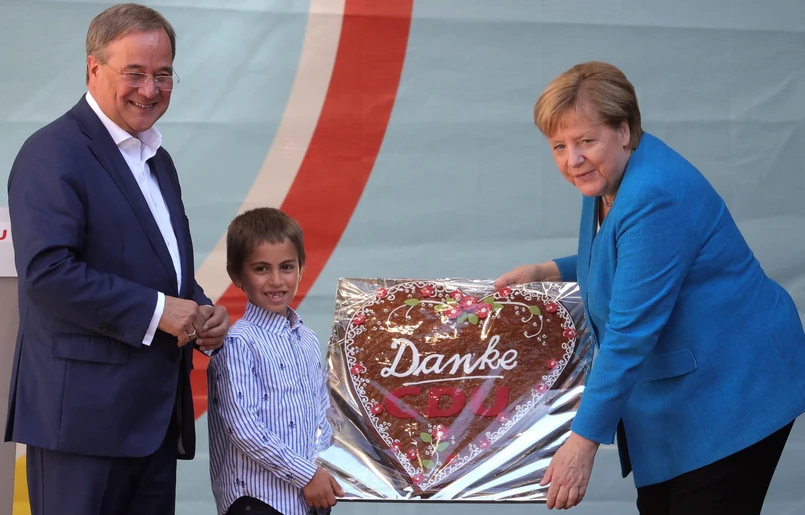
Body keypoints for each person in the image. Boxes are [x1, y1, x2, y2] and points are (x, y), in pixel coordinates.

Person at [495, 61, 805, 514]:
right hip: (688, 391)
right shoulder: (610, 177)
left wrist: (581, 444)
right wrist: (549, 270)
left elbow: (630, 331)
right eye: (559, 146)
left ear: (623, 130)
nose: (572, 160)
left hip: (733, 389)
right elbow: (630, 259)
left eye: (585, 141)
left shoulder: (652, 194)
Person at [3, 4, 230, 515]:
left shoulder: (158, 160)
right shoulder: (51, 152)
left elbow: (158, 265)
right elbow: (48, 273)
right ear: (93, 69)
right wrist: (160, 311)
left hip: (152, 423)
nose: (150, 89)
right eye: (135, 73)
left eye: (163, 74)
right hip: (81, 425)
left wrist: (199, 308)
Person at [207, 207, 343, 515]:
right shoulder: (238, 342)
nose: (276, 280)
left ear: (301, 268)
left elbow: (323, 414)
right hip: (257, 500)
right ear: (236, 275)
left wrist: (325, 470)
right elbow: (243, 428)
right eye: (261, 269)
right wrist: (307, 475)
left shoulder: (308, 339)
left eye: (286, 267)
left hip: (309, 501)